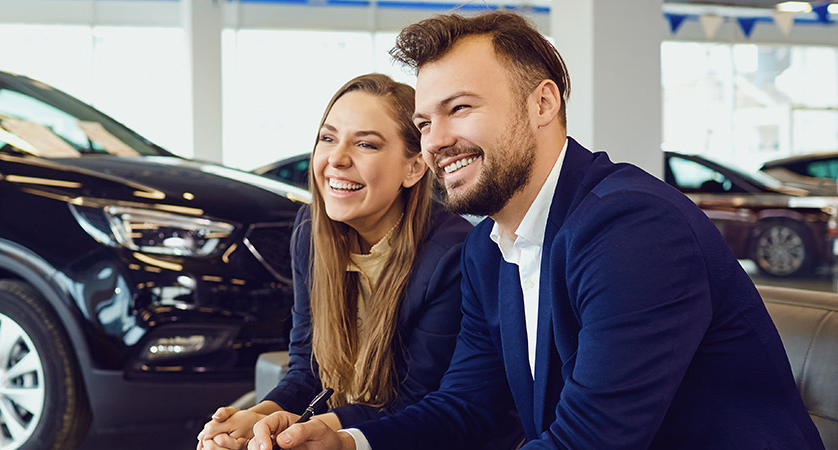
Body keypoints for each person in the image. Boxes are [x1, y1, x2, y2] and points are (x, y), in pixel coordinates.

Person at [250, 11, 824, 450]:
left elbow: (590, 440)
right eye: (425, 121)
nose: (436, 140)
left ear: (543, 103)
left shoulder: (632, 228)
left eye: (461, 108)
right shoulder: (487, 250)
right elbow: (465, 406)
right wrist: (347, 440)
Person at [199, 73, 494, 449]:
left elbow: (416, 402)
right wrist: (257, 417)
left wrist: (307, 430)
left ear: (414, 167)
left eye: (366, 144)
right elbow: (307, 370)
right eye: (328, 138)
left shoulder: (452, 254)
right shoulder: (310, 232)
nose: (336, 159)